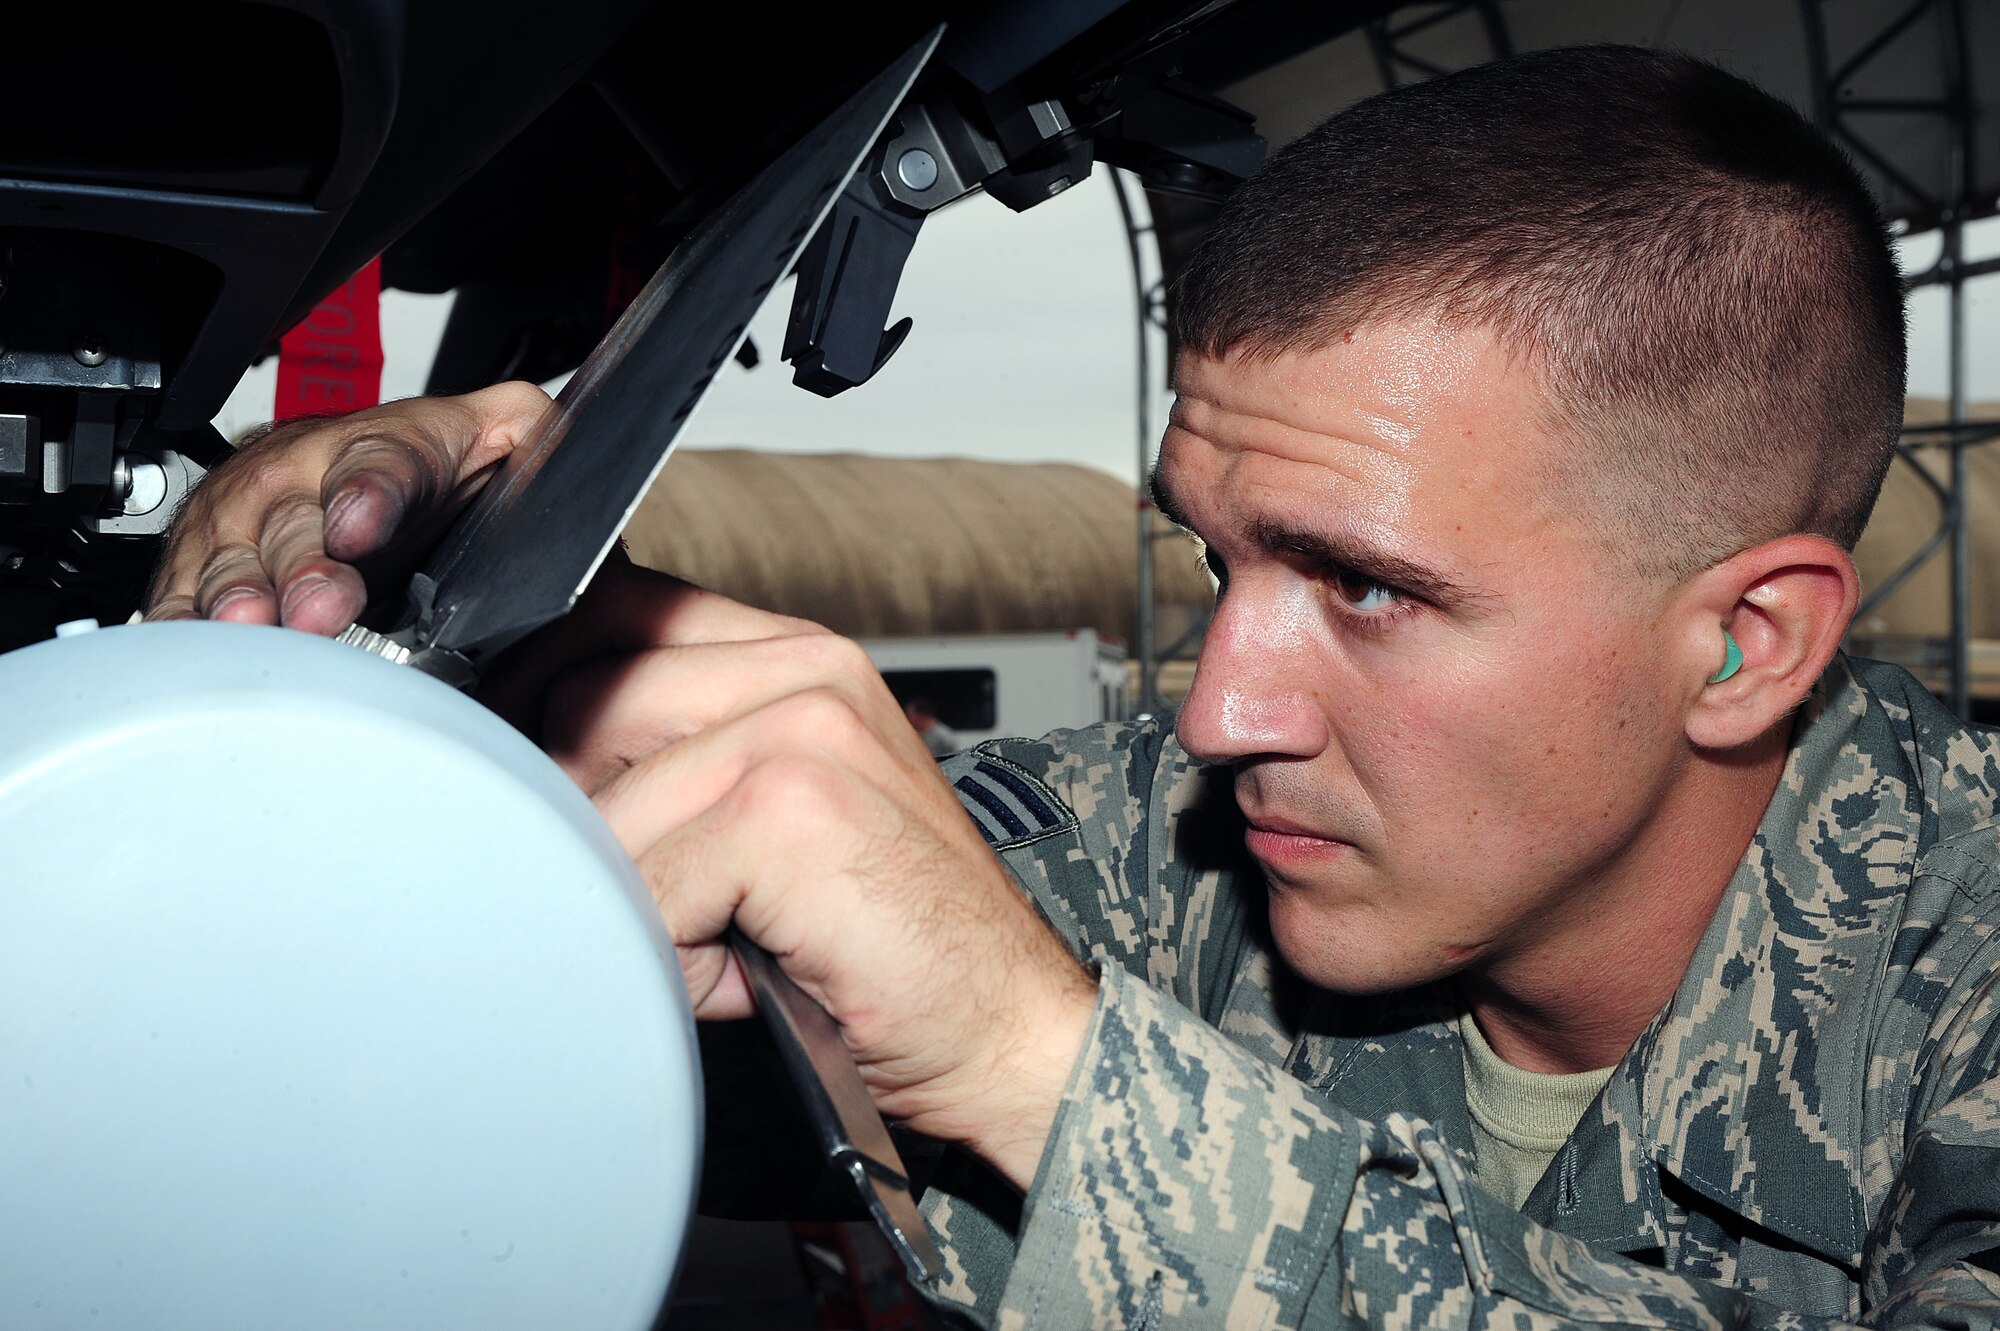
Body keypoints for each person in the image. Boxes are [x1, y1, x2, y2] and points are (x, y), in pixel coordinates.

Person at [147, 45, 2000, 1328]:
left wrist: (1053, 1080)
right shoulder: (1181, 837)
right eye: (1223, 559)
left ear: (1746, 643)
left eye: (1364, 586)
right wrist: (432, 636)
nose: (1215, 711)